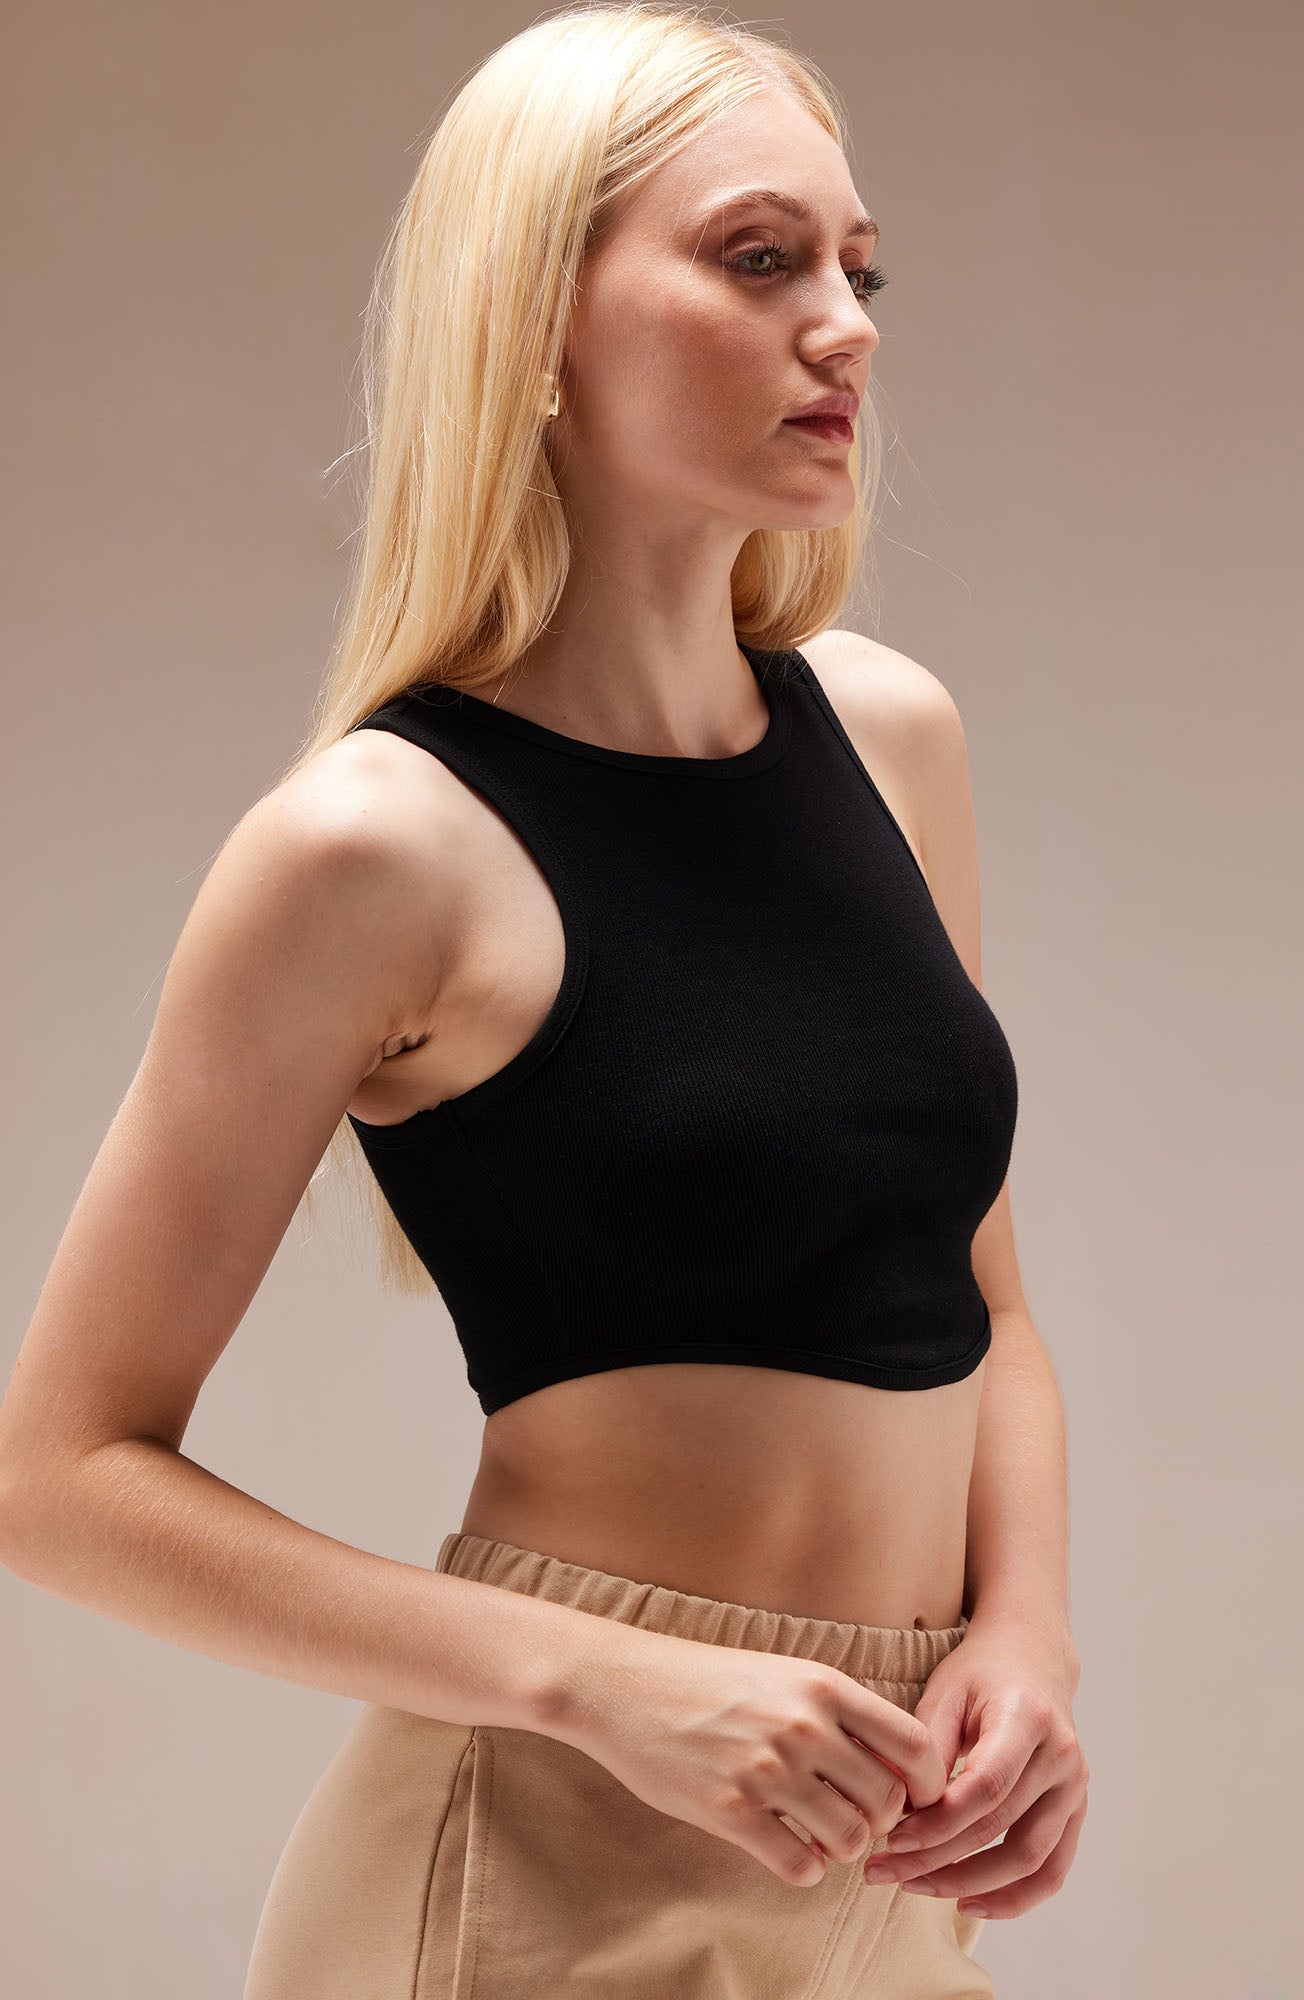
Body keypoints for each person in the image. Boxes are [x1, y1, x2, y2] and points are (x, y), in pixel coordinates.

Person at [0, 5, 1087, 1993]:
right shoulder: (371, 849)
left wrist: (1026, 1638)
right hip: (551, 1856)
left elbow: (985, 1305)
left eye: (861, 271)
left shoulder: (892, 739)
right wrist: (606, 1682)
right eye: (759, 258)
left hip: (886, 1846)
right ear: (531, 326)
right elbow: (57, 1480)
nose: (843, 327)